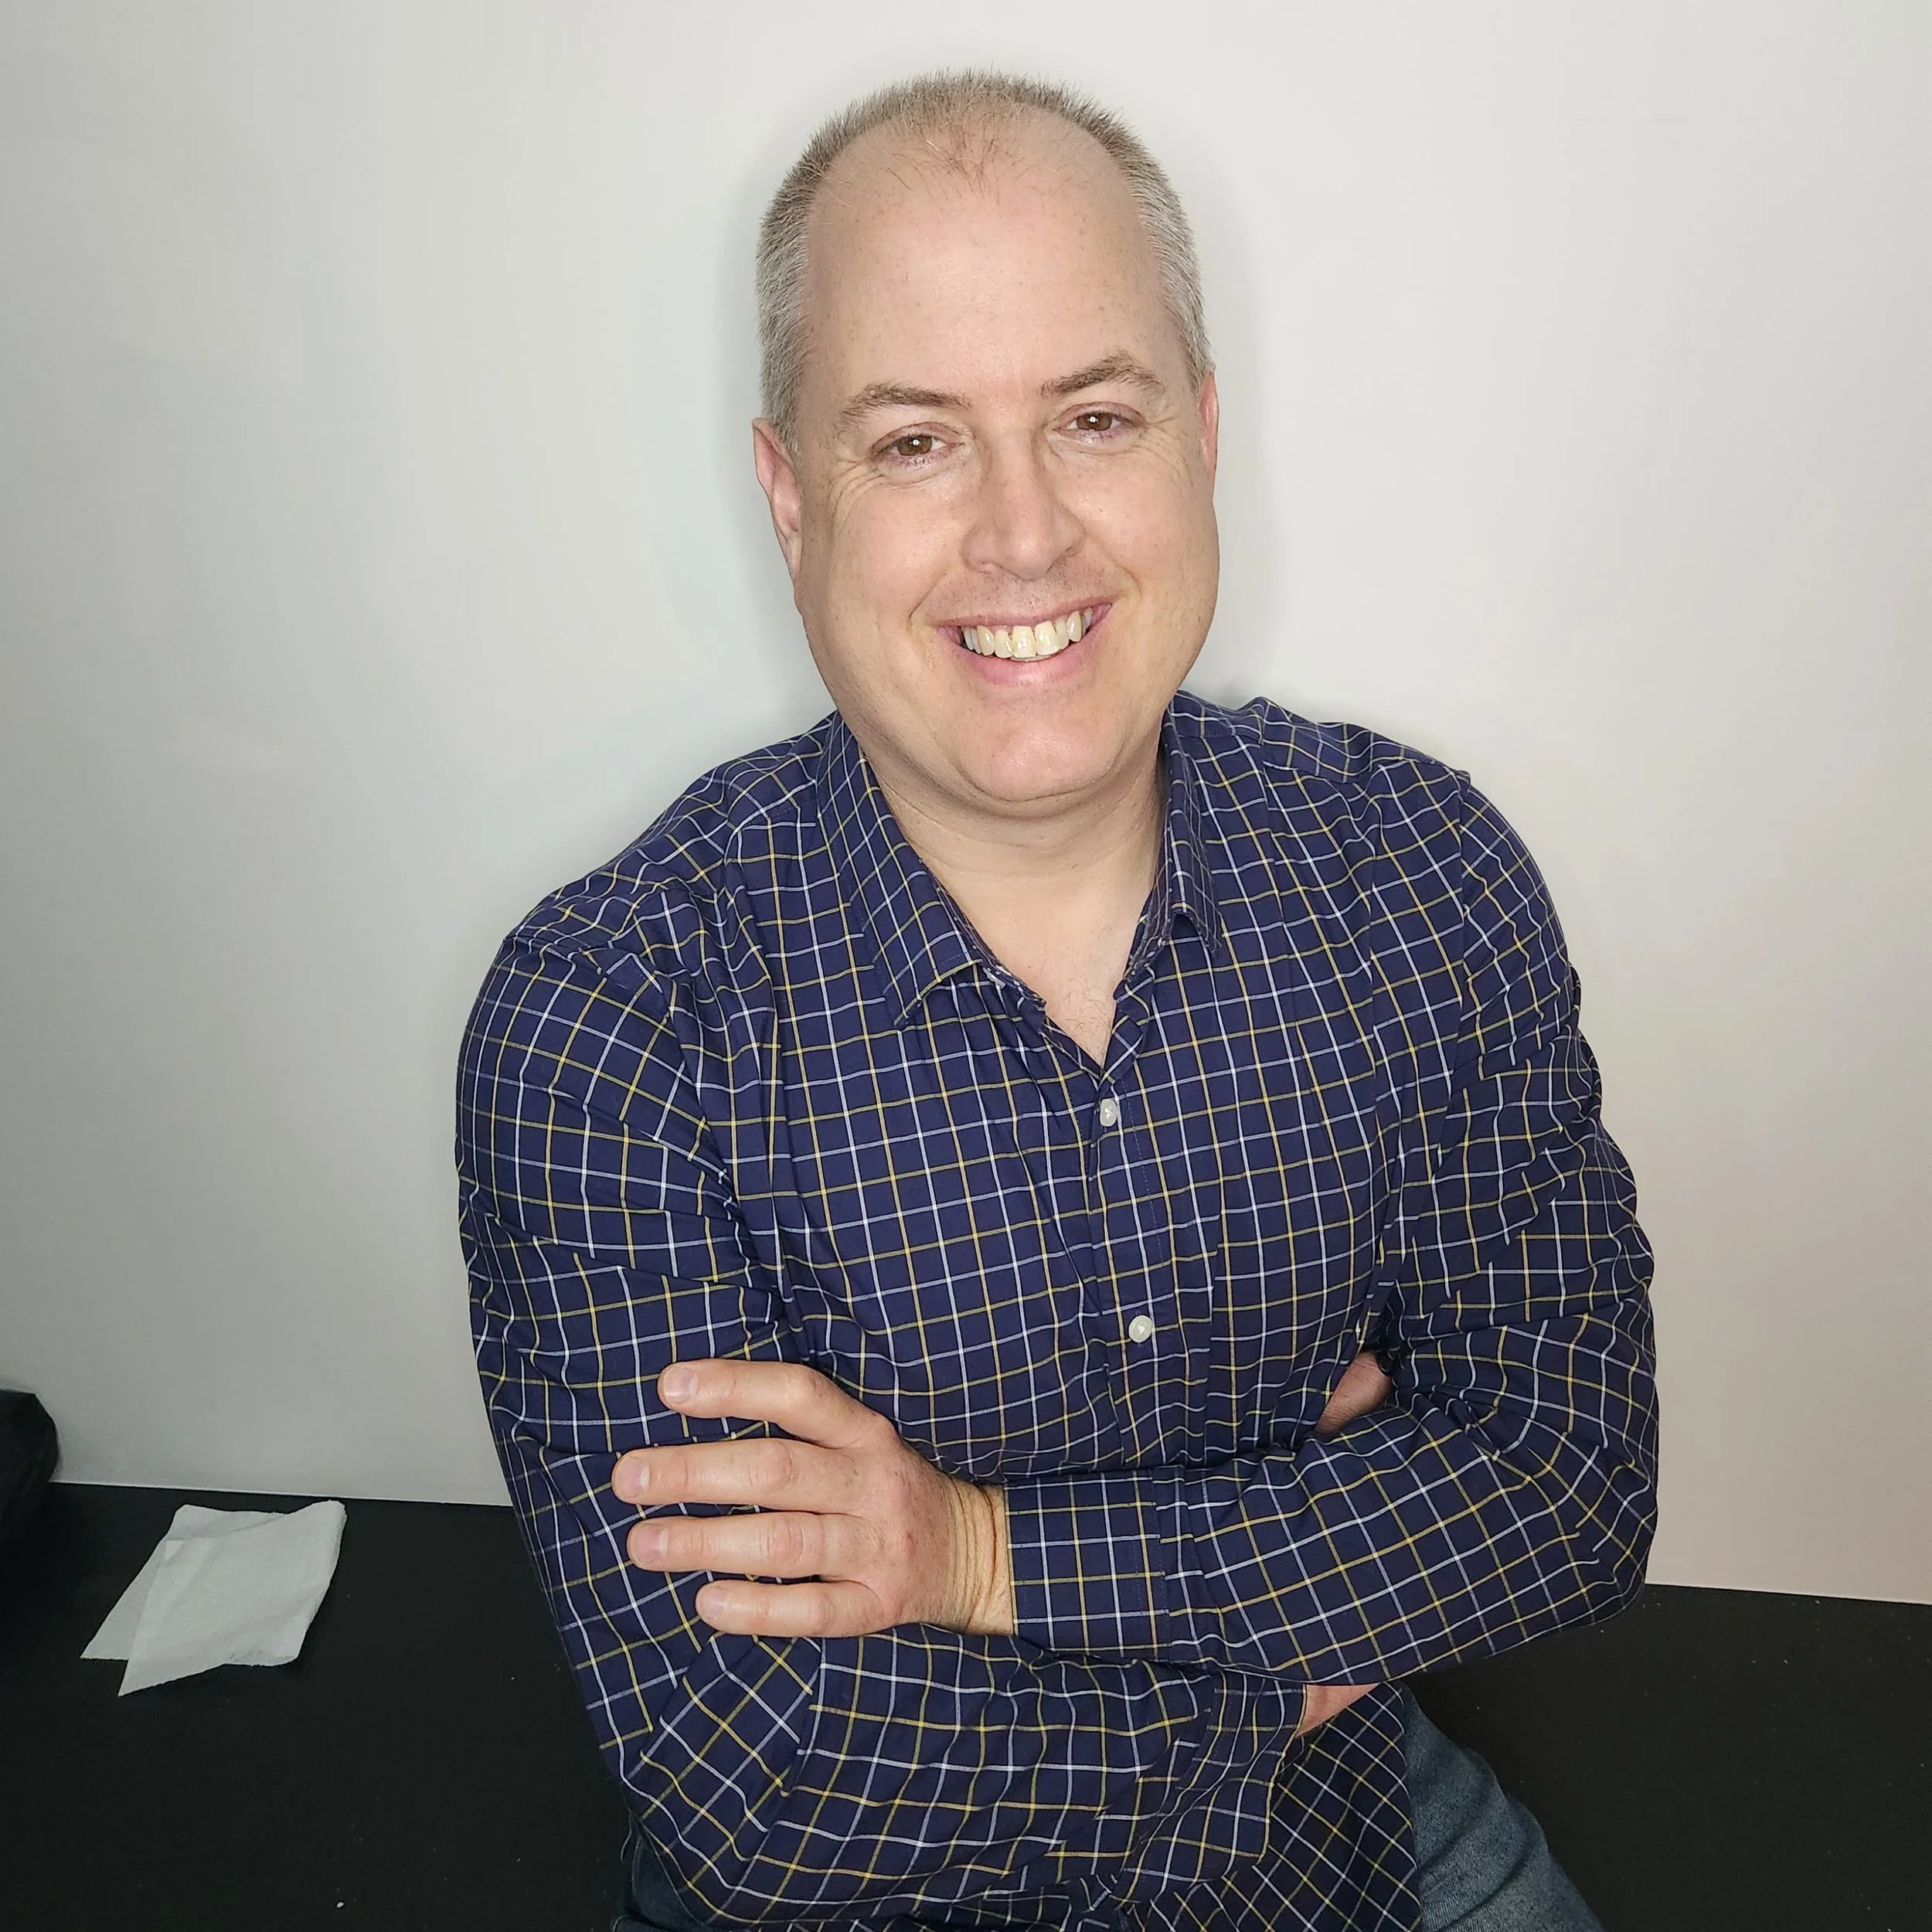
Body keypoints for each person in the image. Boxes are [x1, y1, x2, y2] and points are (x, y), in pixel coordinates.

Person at [457, 70, 1656, 1932]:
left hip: (1343, 1828)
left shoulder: (1421, 868)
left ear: (1197, 431)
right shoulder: (611, 1020)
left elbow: (1565, 1481)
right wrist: (1301, 1618)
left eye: (1090, 416)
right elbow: (773, 1786)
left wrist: (973, 1551)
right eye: (916, 442)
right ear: (789, 493)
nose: (1023, 536)